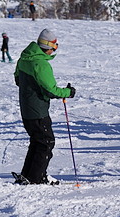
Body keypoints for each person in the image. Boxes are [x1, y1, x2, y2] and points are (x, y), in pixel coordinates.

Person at [13, 29, 75, 185]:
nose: (54, 50)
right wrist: (67, 92)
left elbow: (18, 80)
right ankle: (36, 178)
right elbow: (50, 90)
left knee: (37, 141)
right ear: (48, 46)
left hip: (27, 109)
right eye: (55, 46)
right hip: (38, 110)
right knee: (46, 142)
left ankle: (28, 175)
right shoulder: (41, 64)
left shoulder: (24, 59)